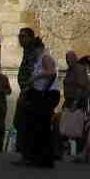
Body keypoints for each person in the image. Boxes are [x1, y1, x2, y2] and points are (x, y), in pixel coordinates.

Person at [20, 37, 59, 167]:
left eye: (33, 50)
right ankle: (35, 156)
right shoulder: (39, 60)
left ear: (38, 49)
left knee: (42, 125)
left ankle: (44, 158)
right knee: (36, 125)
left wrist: (38, 79)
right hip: (39, 93)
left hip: (47, 93)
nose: (32, 53)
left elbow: (52, 73)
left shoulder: (45, 57)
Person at [11, 28, 38, 161]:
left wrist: (26, 90)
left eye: (23, 36)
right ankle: (26, 154)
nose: (20, 39)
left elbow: (34, 73)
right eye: (19, 36)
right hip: (26, 91)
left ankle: (27, 155)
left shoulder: (32, 52)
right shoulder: (28, 51)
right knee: (20, 122)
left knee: (23, 122)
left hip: (29, 92)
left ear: (30, 38)